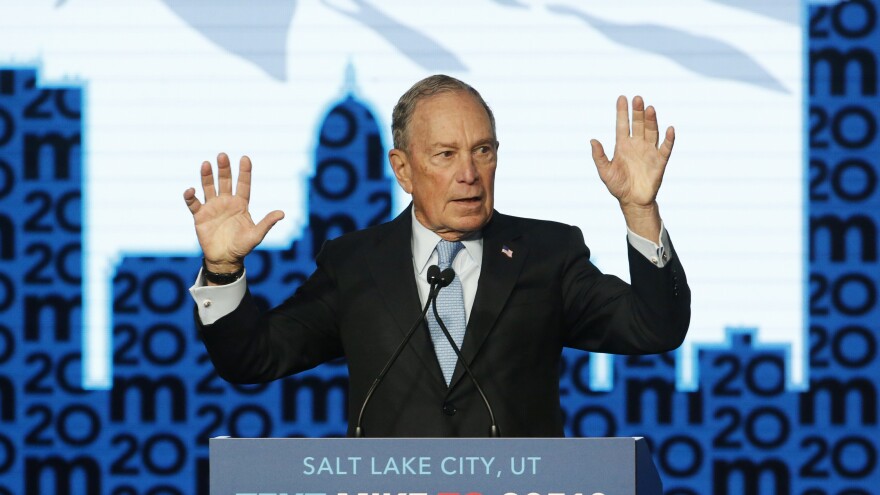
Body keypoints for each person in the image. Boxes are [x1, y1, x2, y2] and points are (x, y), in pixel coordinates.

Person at [184, 75, 690, 437]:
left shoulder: (547, 255)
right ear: (403, 170)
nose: (469, 173)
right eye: (446, 155)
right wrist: (224, 270)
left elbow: (655, 328)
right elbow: (253, 359)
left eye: (483, 151)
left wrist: (639, 208)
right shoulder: (355, 264)